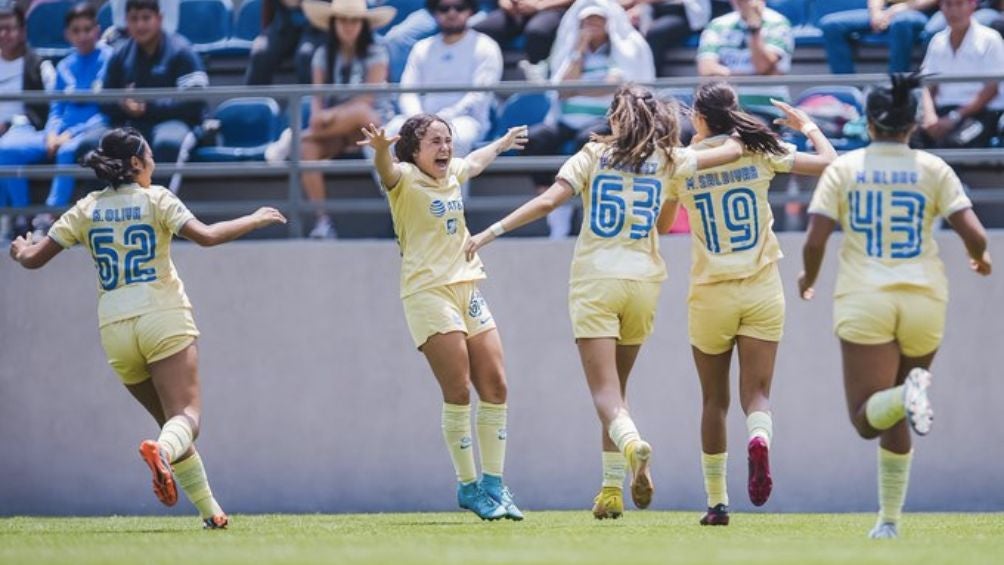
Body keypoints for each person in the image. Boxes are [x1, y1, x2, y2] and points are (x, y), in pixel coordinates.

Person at [465, 84, 744, 520]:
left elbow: (547, 201)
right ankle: (611, 489)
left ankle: (633, 446)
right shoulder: (669, 159)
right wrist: (743, 127)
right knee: (618, 393)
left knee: (604, 394)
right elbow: (727, 154)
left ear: (617, 118)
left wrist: (488, 232)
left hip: (597, 281)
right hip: (644, 283)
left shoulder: (592, 155)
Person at [8, 127, 287, 528]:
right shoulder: (156, 198)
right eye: (150, 156)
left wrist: (19, 250)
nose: (154, 163)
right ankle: (161, 453)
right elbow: (206, 237)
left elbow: (33, 258)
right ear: (136, 163)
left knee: (173, 430)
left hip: (115, 329)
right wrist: (255, 218)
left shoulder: (86, 208)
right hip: (161, 315)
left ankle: (213, 514)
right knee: (186, 416)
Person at [798, 73, 992, 539]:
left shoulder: (844, 169)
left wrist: (808, 277)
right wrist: (979, 259)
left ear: (868, 122)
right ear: (912, 123)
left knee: (867, 417)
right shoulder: (934, 168)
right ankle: (888, 521)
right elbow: (976, 235)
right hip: (925, 299)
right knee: (897, 409)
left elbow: (815, 240)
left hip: (867, 299)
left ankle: (908, 398)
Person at [657, 81, 837, 526]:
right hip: (761, 289)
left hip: (710, 293)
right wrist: (807, 124)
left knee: (713, 401)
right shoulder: (759, 148)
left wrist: (682, 167)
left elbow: (662, 225)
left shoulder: (686, 164)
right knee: (756, 395)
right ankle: (759, 439)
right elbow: (830, 164)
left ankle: (717, 503)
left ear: (699, 117)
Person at [357, 116, 529, 521]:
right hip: (427, 292)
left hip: (467, 285)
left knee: (497, 386)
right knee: (458, 390)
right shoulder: (404, 180)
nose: (445, 148)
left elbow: (477, 161)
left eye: (448, 140)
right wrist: (382, 149)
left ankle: (494, 484)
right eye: (434, 141)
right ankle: (468, 486)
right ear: (414, 151)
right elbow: (387, 170)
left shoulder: (453, 172)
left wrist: (502, 142)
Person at [268, 0, 396, 239]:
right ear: (333, 23)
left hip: (374, 126)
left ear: (363, 24)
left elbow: (366, 102)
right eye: (343, 20)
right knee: (307, 148)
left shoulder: (377, 52)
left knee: (360, 114)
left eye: (355, 20)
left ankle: (291, 139)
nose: (349, 26)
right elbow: (317, 113)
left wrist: (328, 116)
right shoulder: (322, 55)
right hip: (335, 129)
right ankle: (323, 221)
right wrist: (326, 117)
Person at [0, 2, 111, 238]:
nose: (82, 36)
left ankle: (50, 217)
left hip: (86, 132)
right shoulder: (65, 65)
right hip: (55, 133)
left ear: (97, 31)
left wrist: (67, 135)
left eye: (87, 29)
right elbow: (56, 108)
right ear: (67, 34)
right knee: (5, 149)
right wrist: (52, 133)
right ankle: (23, 217)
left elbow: (106, 109)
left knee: (67, 150)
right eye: (76, 30)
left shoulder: (109, 60)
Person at [102, 0, 209, 193]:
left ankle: (161, 215)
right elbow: (104, 98)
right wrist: (123, 104)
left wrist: (147, 107)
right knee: (95, 142)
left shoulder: (181, 50)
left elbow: (195, 101)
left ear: (159, 19)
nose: (140, 25)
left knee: (167, 143)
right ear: (127, 21)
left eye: (146, 18)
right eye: (134, 19)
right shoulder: (121, 53)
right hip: (133, 123)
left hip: (178, 122)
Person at [389, 0, 502, 160]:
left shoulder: (486, 46)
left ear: (470, 11)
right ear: (434, 12)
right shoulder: (421, 48)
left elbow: (478, 97)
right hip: (421, 120)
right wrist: (419, 120)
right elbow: (407, 92)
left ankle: (451, 186)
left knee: (457, 138)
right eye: (444, 8)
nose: (452, 13)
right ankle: (395, 186)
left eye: (460, 7)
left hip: (466, 121)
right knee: (386, 136)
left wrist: (438, 122)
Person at [919, 0, 1004, 148]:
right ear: (941, 7)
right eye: (948, 4)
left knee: (953, 143)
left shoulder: (991, 39)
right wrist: (929, 116)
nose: (953, 10)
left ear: (972, 6)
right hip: (941, 114)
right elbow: (926, 85)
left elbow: (992, 89)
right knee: (908, 140)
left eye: (959, 4)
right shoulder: (937, 41)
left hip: (981, 114)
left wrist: (955, 116)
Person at [819, 0, 939, 75]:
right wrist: (876, 13)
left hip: (919, 12)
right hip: (886, 11)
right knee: (831, 25)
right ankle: (847, 93)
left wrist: (899, 9)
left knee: (900, 22)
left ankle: (895, 88)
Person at [245, 0, 327, 85]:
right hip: (283, 27)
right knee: (260, 52)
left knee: (306, 55)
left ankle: (311, 98)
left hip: (315, 29)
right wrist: (264, 33)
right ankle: (255, 97)